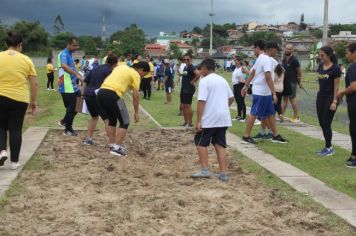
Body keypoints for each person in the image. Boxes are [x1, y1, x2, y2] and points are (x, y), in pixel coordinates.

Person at [191, 58, 234, 182]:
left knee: (200, 141)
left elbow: (201, 101)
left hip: (210, 118)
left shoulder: (204, 81)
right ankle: (223, 173)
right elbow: (231, 98)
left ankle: (204, 170)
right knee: (220, 144)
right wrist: (223, 108)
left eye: (200, 68)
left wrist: (199, 121)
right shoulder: (222, 79)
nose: (200, 71)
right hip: (223, 118)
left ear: (205, 67)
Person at [0, 32, 38, 170]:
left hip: (1, 96)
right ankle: (14, 162)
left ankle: (2, 150)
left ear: (6, 44)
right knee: (15, 129)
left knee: (1, 127)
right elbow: (34, 83)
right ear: (19, 45)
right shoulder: (26, 60)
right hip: (19, 98)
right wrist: (33, 101)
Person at [96, 61, 150, 156]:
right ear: (141, 70)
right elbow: (136, 96)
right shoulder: (135, 74)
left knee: (112, 120)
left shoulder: (121, 67)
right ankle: (116, 148)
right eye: (144, 74)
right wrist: (136, 112)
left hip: (101, 92)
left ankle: (113, 145)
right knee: (125, 121)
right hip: (113, 94)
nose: (142, 77)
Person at [241, 40, 288, 144]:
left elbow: (253, 72)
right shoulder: (266, 59)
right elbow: (268, 77)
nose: (277, 53)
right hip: (261, 92)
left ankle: (275, 135)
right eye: (276, 50)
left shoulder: (261, 58)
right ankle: (246, 136)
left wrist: (246, 85)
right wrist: (274, 93)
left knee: (271, 113)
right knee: (254, 113)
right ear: (271, 49)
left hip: (265, 92)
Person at [82, 54, 118, 145]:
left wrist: (83, 94)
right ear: (115, 64)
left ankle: (88, 139)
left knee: (94, 117)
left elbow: (85, 81)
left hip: (88, 94)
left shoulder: (95, 68)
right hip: (98, 95)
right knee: (107, 119)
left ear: (106, 61)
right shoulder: (110, 71)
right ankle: (112, 143)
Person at [315, 46, 341, 156]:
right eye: (320, 55)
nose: (320, 57)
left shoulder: (335, 68)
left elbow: (337, 86)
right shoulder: (321, 65)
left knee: (326, 123)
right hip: (320, 97)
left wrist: (335, 101)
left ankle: (329, 147)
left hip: (330, 97)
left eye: (322, 55)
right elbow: (320, 80)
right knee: (321, 122)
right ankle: (327, 146)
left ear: (329, 55)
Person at [57, 37, 83, 135]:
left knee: (80, 104)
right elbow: (64, 66)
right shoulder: (64, 54)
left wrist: (80, 76)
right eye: (74, 45)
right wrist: (76, 75)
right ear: (69, 44)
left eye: (77, 45)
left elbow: (72, 68)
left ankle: (64, 121)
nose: (76, 47)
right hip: (66, 85)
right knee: (72, 108)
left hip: (73, 85)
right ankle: (68, 129)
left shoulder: (70, 54)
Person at [337, 43, 356, 167]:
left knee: (354, 129)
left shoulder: (353, 67)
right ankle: (353, 154)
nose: (346, 55)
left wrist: (341, 93)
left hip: (354, 101)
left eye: (347, 53)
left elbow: (354, 87)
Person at [281, 44, 302, 123]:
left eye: (289, 49)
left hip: (292, 82)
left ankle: (297, 117)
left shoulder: (294, 60)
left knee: (292, 99)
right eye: (286, 48)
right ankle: (281, 115)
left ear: (292, 50)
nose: (287, 50)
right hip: (285, 82)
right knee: (284, 99)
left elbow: (299, 72)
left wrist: (299, 82)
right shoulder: (284, 59)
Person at [180, 53, 200, 127]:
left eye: (187, 59)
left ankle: (190, 123)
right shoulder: (186, 67)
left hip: (188, 89)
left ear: (191, 59)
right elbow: (186, 75)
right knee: (183, 106)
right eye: (184, 59)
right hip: (184, 88)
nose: (186, 60)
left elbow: (198, 74)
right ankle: (185, 122)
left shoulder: (191, 67)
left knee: (188, 106)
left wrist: (193, 81)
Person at [232, 56, 249, 122]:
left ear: (239, 61)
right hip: (235, 86)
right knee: (237, 101)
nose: (234, 61)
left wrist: (245, 81)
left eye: (235, 60)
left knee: (241, 101)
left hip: (241, 86)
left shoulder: (243, 68)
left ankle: (244, 117)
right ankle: (239, 116)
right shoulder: (236, 68)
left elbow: (251, 74)